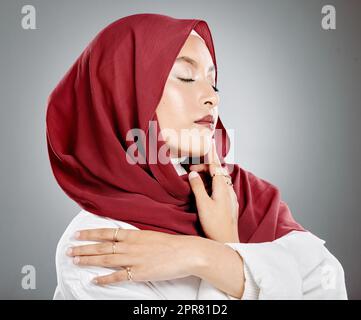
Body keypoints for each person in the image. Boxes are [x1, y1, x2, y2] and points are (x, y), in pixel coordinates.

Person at [46, 13, 347, 299]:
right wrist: (234, 260)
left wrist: (207, 253)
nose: (212, 97)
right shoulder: (96, 245)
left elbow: (329, 282)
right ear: (121, 96)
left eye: (212, 81)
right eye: (187, 78)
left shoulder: (237, 193)